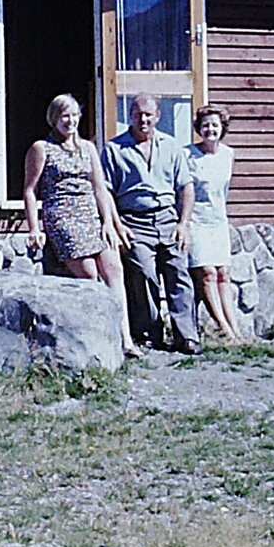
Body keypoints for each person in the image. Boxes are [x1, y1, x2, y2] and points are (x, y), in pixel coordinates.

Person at [21, 92, 141, 357]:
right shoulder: (42, 149)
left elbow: (100, 188)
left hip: (90, 213)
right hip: (63, 215)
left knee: (113, 269)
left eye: (75, 115)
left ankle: (125, 338)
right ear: (54, 119)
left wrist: (108, 222)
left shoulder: (87, 148)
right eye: (65, 116)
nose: (71, 121)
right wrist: (34, 228)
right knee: (89, 274)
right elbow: (30, 190)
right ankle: (101, 336)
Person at [100, 93, 201, 354]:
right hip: (134, 220)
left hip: (168, 218)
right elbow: (106, 191)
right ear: (129, 115)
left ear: (158, 116)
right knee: (144, 274)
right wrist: (116, 224)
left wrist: (184, 223)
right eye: (137, 114)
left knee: (179, 274)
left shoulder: (172, 146)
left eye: (148, 114)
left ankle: (187, 337)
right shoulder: (114, 149)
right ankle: (149, 333)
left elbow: (186, 188)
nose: (142, 119)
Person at [185, 103, 243, 343]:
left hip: (218, 220)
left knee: (224, 274)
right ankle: (225, 330)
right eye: (206, 125)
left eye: (215, 125)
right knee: (208, 273)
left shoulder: (228, 155)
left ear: (222, 129)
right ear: (199, 128)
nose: (210, 129)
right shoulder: (187, 155)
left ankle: (236, 329)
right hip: (196, 221)